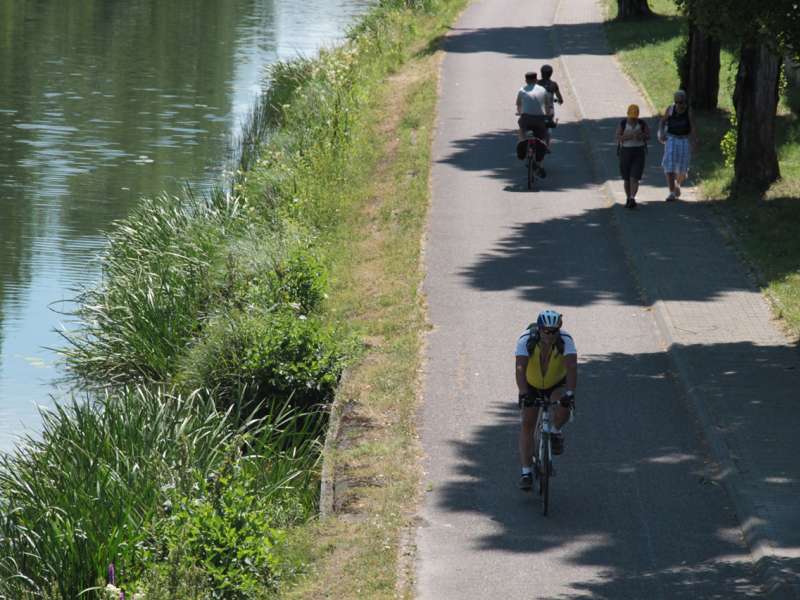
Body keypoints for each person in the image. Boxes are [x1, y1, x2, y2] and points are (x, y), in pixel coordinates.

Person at [514, 309, 577, 491]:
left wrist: (570, 394)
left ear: (559, 329)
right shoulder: (526, 339)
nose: (550, 335)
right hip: (531, 384)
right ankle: (526, 473)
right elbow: (519, 368)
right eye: (546, 331)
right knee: (527, 424)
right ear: (539, 329)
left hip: (555, 383)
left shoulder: (566, 340)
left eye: (554, 331)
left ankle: (554, 430)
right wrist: (524, 393)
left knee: (564, 407)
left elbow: (572, 367)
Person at [659, 90, 697, 201]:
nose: (678, 105)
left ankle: (677, 184)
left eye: (681, 102)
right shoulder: (670, 109)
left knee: (682, 170)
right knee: (670, 166)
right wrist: (661, 132)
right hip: (671, 139)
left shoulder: (689, 111)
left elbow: (693, 126)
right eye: (676, 102)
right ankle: (671, 192)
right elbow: (662, 121)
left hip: (684, 140)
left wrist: (695, 141)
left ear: (685, 101)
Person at [615, 104, 650, 209]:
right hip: (625, 151)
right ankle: (628, 197)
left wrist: (641, 136)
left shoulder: (642, 123)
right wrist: (628, 136)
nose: (633, 119)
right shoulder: (623, 123)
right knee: (626, 178)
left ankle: (632, 198)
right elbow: (617, 137)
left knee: (634, 177)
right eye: (631, 117)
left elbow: (648, 135)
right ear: (628, 115)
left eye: (635, 117)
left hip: (639, 152)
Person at [515, 71, 549, 174]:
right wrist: (547, 115)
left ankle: (522, 141)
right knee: (543, 135)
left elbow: (518, 105)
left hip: (526, 119)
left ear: (526, 80)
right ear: (536, 80)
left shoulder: (522, 90)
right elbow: (547, 105)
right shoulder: (543, 90)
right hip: (539, 119)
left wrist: (520, 112)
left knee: (521, 128)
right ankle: (541, 153)